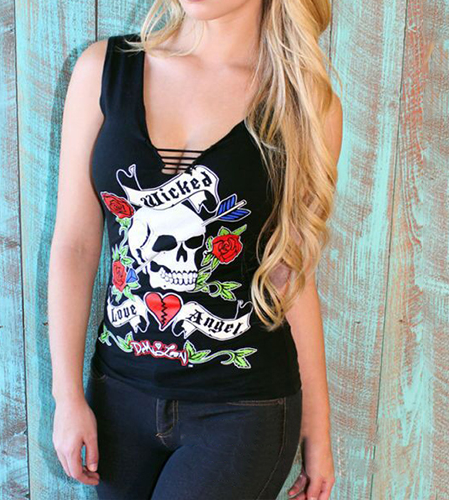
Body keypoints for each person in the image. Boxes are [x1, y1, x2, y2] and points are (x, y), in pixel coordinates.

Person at [48, 1, 342, 499]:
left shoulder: (304, 105)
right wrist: (67, 396)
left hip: (242, 411)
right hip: (118, 401)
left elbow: (290, 274)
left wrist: (318, 429)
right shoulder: (103, 71)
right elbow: (75, 245)